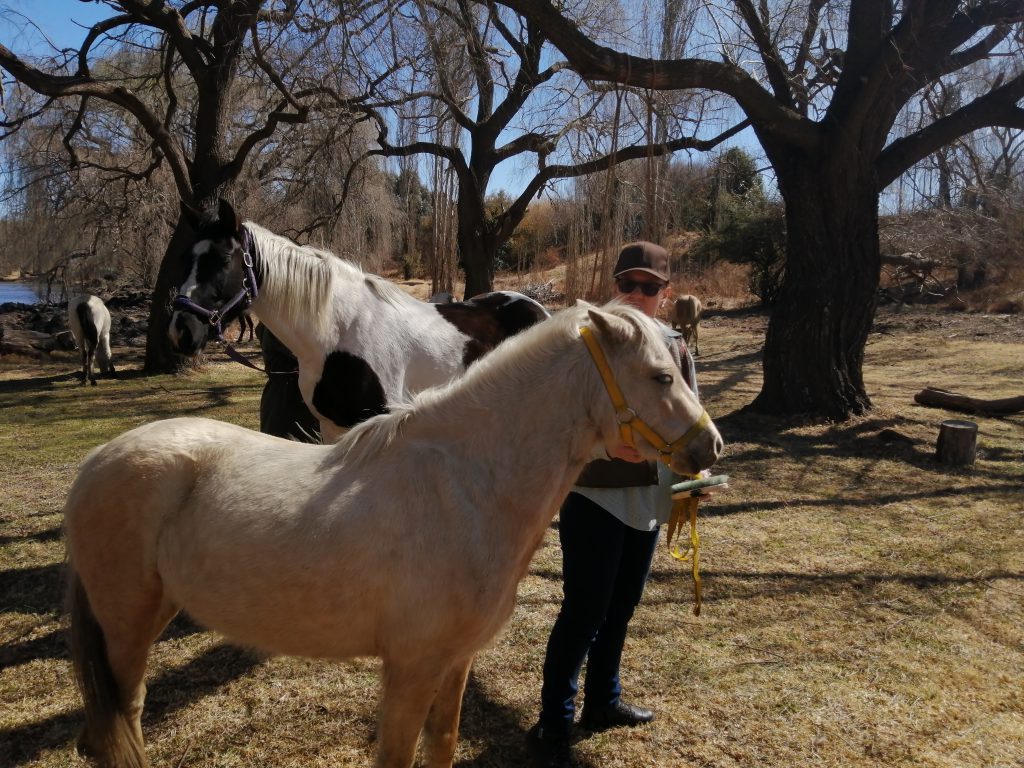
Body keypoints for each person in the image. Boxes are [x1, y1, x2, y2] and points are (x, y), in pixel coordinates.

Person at [527, 241, 707, 768]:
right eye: (628, 284)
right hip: (594, 497)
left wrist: (694, 482)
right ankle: (553, 723)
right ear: (614, 287)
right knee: (584, 610)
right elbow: (551, 424)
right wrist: (606, 446)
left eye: (649, 287)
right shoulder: (586, 343)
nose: (637, 294)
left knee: (622, 607)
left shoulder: (674, 345)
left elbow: (689, 418)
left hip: (649, 497)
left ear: (664, 293)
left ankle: (603, 703)